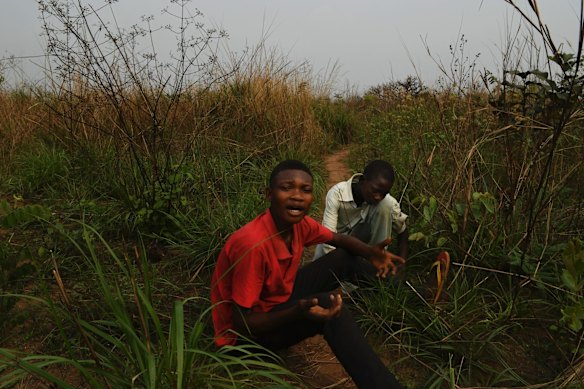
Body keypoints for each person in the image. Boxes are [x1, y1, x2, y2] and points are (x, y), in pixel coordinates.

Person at [211, 160, 406, 389]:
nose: (297, 196)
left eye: (305, 190)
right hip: (246, 339)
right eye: (286, 188)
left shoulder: (299, 225)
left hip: (274, 302)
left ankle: (398, 291)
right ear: (269, 194)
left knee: (342, 257)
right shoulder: (253, 244)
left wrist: (370, 253)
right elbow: (243, 323)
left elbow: (338, 239)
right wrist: (299, 311)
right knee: (332, 308)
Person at [313, 160, 408, 263]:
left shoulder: (385, 201)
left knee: (386, 205)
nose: (378, 197)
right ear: (363, 180)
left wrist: (402, 263)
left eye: (383, 193)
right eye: (375, 190)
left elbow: (402, 230)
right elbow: (327, 239)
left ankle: (378, 261)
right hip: (334, 249)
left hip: (364, 253)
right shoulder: (337, 194)